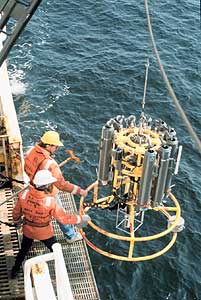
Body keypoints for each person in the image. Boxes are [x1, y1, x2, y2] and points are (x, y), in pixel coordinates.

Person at [11, 170, 90, 279]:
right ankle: (63, 270)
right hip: (45, 233)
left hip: (28, 231)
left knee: (23, 250)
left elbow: (16, 213)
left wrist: (16, 222)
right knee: (56, 251)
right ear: (46, 185)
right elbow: (64, 219)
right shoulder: (50, 201)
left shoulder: (23, 194)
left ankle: (14, 270)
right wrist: (81, 218)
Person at [24, 130, 88, 243]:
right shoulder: (50, 164)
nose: (56, 149)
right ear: (48, 145)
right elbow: (62, 185)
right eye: (55, 146)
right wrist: (79, 191)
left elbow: (26, 168)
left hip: (33, 187)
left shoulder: (30, 151)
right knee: (60, 213)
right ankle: (71, 236)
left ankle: (31, 233)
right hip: (48, 192)